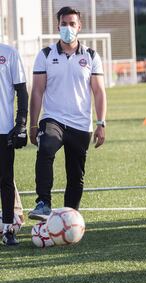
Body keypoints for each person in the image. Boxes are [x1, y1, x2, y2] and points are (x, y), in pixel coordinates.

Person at [28, 6, 107, 220]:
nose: (68, 28)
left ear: (79, 26)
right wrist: (33, 124)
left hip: (81, 124)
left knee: (76, 175)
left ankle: (69, 217)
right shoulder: (45, 54)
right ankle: (43, 203)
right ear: (58, 26)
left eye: (72, 24)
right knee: (46, 150)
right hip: (52, 119)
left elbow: (99, 92)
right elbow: (36, 91)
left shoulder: (91, 56)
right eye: (64, 24)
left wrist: (101, 123)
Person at [0, 41, 28, 246]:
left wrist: (20, 123)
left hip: (3, 129)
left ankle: (8, 229)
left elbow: (22, 91)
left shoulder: (9, 53)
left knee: (6, 179)